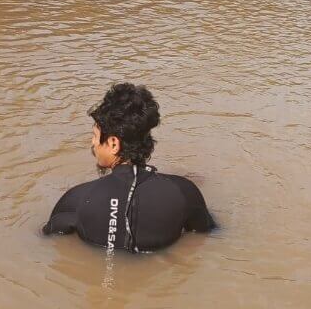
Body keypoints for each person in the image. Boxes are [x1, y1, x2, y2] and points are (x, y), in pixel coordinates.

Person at [42, 82, 216, 252]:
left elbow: (47, 239)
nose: (93, 143)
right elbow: (208, 233)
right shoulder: (185, 192)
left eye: (95, 136)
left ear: (113, 143)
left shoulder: (76, 199)